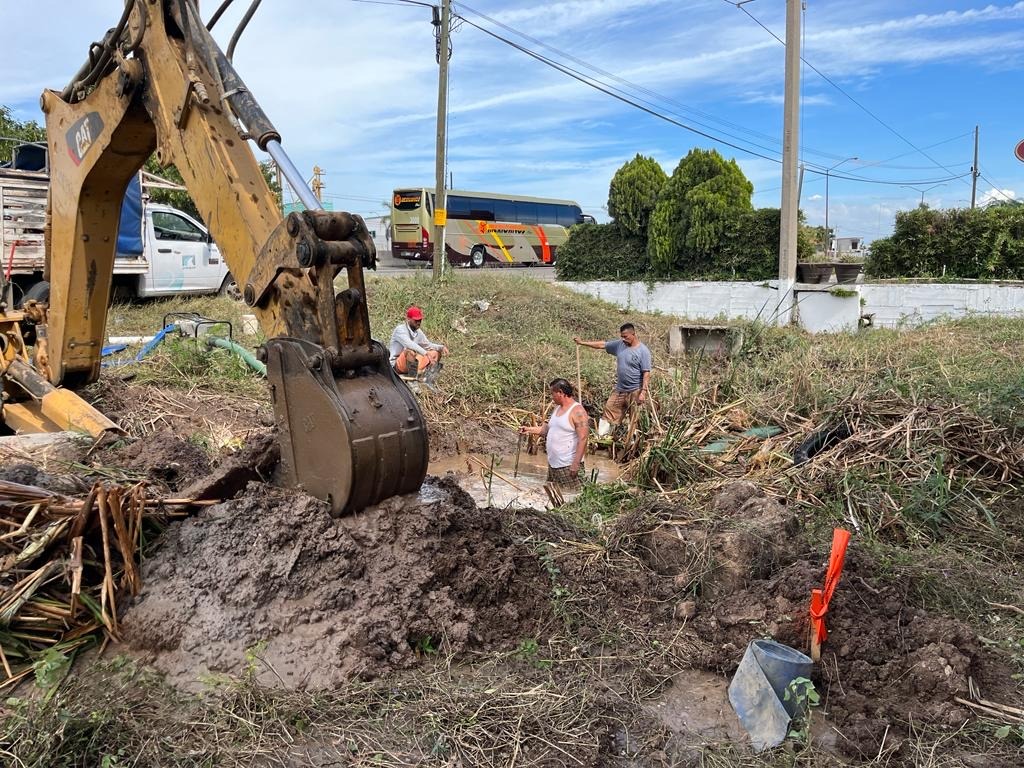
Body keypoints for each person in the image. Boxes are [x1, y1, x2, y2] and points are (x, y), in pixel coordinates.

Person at [574, 323, 652, 437]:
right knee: (609, 411)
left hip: (636, 390)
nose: (623, 339)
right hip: (620, 389)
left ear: (633, 334)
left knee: (634, 418)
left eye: (625, 336)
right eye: (622, 336)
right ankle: (602, 438)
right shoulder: (620, 345)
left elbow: (646, 373)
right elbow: (602, 345)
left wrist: (643, 392)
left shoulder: (643, 351)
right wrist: (582, 343)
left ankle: (633, 441)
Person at [520, 378, 589, 490]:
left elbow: (583, 438)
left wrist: (576, 464)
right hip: (554, 465)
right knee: (554, 494)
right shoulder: (557, 409)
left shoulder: (577, 411)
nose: (551, 397)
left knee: (572, 494)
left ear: (560, 392)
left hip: (568, 465)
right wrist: (528, 429)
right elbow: (548, 430)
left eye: (552, 393)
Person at [389, 306, 448, 383]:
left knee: (435, 353)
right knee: (410, 352)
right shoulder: (400, 330)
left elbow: (428, 345)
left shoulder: (418, 332)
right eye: (416, 320)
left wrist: (441, 347)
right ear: (408, 319)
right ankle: (412, 381)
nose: (418, 323)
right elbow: (410, 344)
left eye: (420, 320)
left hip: (413, 362)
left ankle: (428, 379)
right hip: (397, 364)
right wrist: (426, 353)